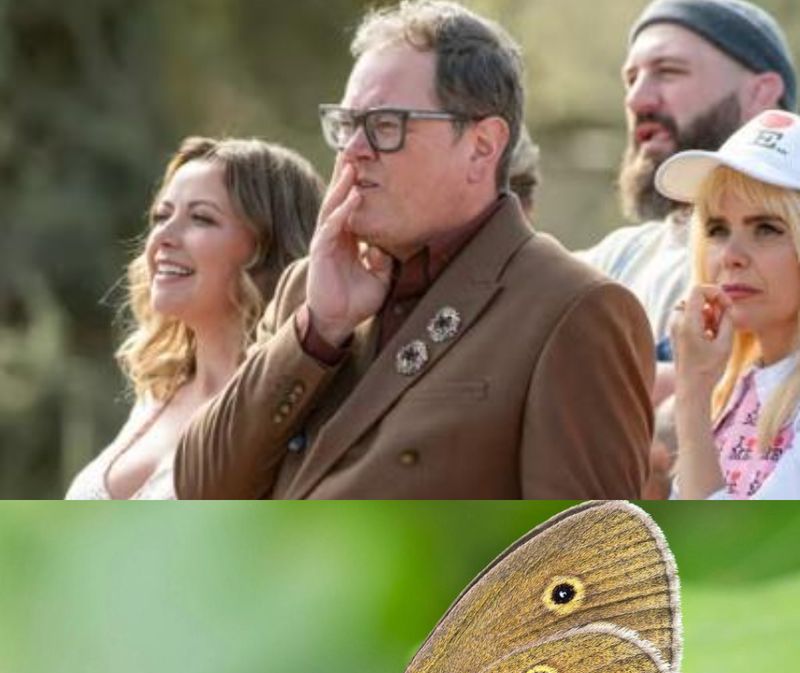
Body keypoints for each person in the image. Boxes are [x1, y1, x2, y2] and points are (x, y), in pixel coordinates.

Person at [174, 0, 654, 500]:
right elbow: (201, 490)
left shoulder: (572, 310)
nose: (353, 150)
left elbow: (581, 546)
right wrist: (318, 331)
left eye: (386, 126)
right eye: (347, 125)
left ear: (482, 146)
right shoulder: (310, 291)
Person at [65, 136, 323, 499]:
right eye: (161, 216)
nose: (163, 237)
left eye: (201, 218)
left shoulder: (290, 414)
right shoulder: (158, 392)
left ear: (268, 249)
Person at [577, 0, 796, 384]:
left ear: (761, 93)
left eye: (669, 71)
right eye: (631, 79)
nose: (636, 99)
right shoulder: (621, 256)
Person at [658, 109, 800, 499]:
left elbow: (723, 534)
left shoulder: (705, 389)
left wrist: (691, 393)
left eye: (767, 229)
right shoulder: (734, 388)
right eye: (717, 229)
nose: (731, 256)